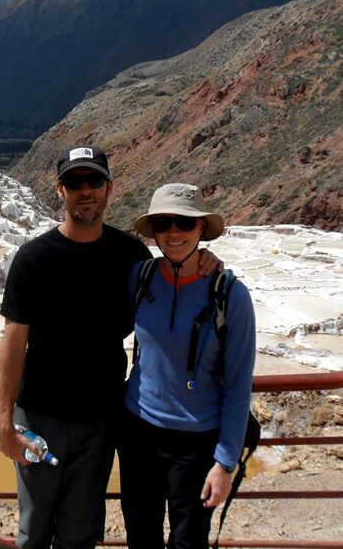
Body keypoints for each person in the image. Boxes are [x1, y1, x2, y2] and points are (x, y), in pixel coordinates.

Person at [0, 147, 220, 549]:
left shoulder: (131, 257)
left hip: (100, 419)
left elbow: (175, 279)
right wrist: (4, 423)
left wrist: (206, 260)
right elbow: (13, 344)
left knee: (80, 531)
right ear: (59, 189)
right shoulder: (33, 259)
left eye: (94, 181)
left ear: (109, 188)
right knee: (34, 527)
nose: (86, 191)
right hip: (40, 416)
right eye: (76, 182)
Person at [117, 183, 256, 549]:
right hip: (138, 432)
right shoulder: (141, 277)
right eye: (164, 224)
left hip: (196, 443)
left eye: (185, 223)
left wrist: (225, 463)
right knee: (141, 537)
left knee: (189, 541)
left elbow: (238, 384)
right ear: (154, 232)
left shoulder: (230, 296)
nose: (174, 233)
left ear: (201, 230)